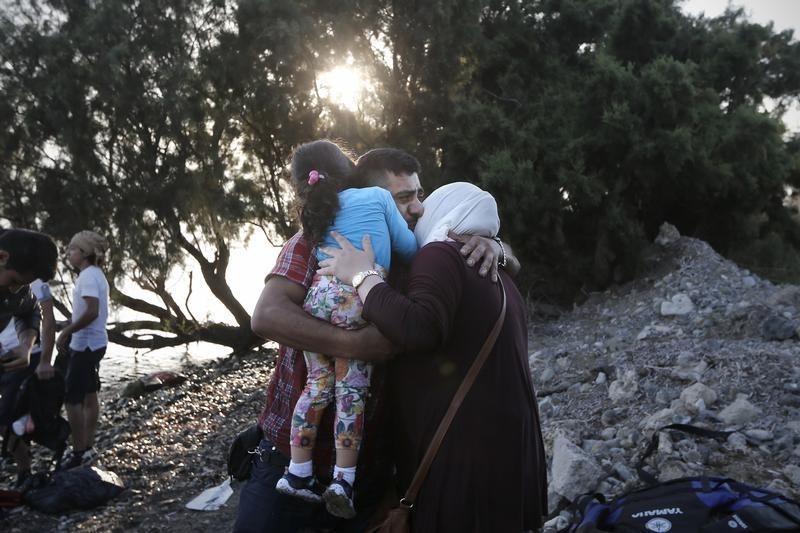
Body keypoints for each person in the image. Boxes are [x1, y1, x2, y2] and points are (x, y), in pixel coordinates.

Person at [236, 146, 515, 533]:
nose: (418, 208)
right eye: (404, 198)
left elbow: (510, 265)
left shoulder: (420, 255)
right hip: (287, 457)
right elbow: (267, 315)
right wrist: (354, 345)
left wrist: (496, 245)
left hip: (368, 474)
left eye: (419, 194)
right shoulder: (315, 239)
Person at [319, 181, 548, 532]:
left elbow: (417, 327)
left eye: (425, 200)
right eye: (407, 198)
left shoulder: (440, 255)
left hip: (466, 460)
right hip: (508, 454)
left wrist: (361, 274)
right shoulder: (495, 270)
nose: (419, 211)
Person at [274, 141, 417, 519]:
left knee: (317, 387)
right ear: (350, 167)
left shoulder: (316, 214)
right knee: (350, 393)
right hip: (355, 301)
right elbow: (408, 246)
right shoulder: (376, 196)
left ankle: (297, 472)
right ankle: (343, 479)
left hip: (318, 301)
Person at [0, 228, 58, 486]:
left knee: (8, 421)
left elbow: (30, 310)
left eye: (23, 283)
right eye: (14, 281)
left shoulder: (18, 289)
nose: (16, 289)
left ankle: (24, 472)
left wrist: (26, 344)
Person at [56, 230, 109, 469]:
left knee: (72, 398)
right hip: (94, 343)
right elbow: (86, 312)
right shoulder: (95, 274)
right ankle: (87, 446)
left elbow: (91, 312)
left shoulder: (88, 277)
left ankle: (79, 451)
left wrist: (67, 332)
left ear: (85, 253)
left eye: (72, 249)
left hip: (86, 345)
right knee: (89, 394)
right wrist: (66, 325)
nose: (68, 253)